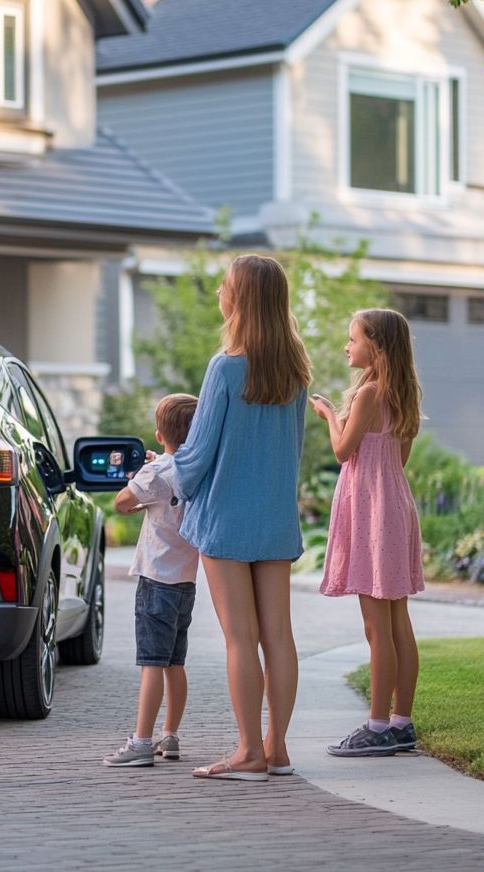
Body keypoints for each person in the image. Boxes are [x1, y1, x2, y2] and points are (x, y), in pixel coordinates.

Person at [173, 254, 311, 782]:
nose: (218, 294)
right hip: (275, 518)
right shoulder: (296, 370)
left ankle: (248, 752)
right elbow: (293, 450)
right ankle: (276, 749)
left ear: (242, 298)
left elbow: (199, 452)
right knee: (279, 636)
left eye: (225, 286)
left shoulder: (225, 367)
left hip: (226, 519)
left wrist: (160, 476)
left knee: (239, 638)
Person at [310, 308, 425, 757]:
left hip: (372, 515)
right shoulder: (404, 396)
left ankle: (377, 726)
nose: (347, 346)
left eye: (353, 338)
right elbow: (400, 459)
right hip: (395, 506)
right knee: (398, 622)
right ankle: (402, 722)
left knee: (376, 628)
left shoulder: (368, 394)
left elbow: (343, 451)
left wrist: (328, 415)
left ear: (375, 345)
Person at [102, 393, 201, 768]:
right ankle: (170, 734)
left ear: (160, 435)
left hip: (156, 578)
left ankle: (141, 742)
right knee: (175, 663)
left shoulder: (154, 473)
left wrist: (142, 481)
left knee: (152, 663)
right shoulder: (193, 468)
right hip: (185, 581)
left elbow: (122, 502)